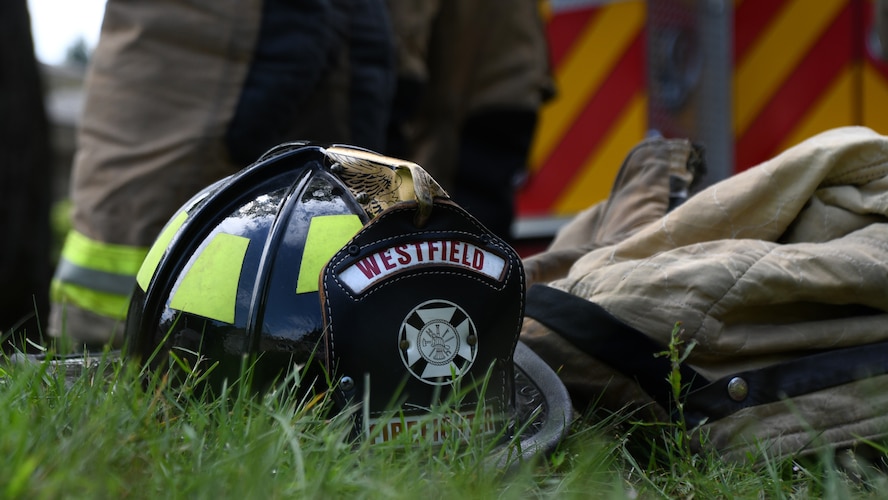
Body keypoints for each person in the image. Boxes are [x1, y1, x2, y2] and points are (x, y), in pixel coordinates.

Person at [48, 0, 396, 351]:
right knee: (148, 193)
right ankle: (101, 346)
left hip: (352, 25)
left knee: (342, 207)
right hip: (206, 25)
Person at [385, 0, 554, 242]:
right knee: (484, 233)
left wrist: (396, 83)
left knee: (448, 233)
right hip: (511, 83)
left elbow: (408, 21)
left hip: (462, 104)